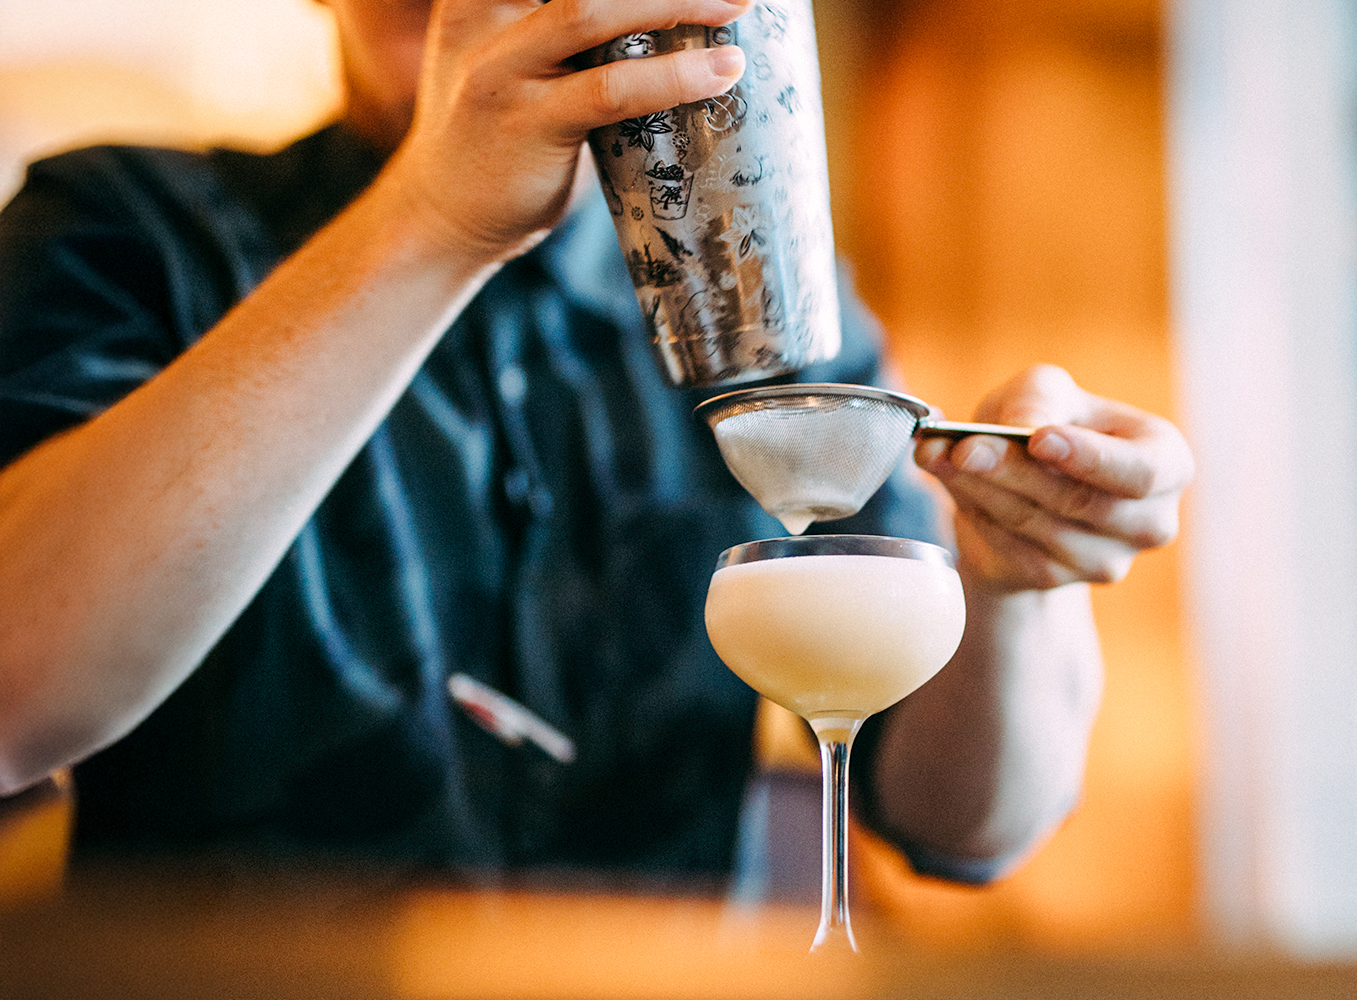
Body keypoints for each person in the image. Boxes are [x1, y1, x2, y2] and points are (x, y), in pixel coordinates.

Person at [0, 0, 1193, 886]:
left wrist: (1009, 581)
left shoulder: (766, 315)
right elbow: (17, 693)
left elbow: (963, 820)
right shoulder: (126, 232)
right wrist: (434, 218)